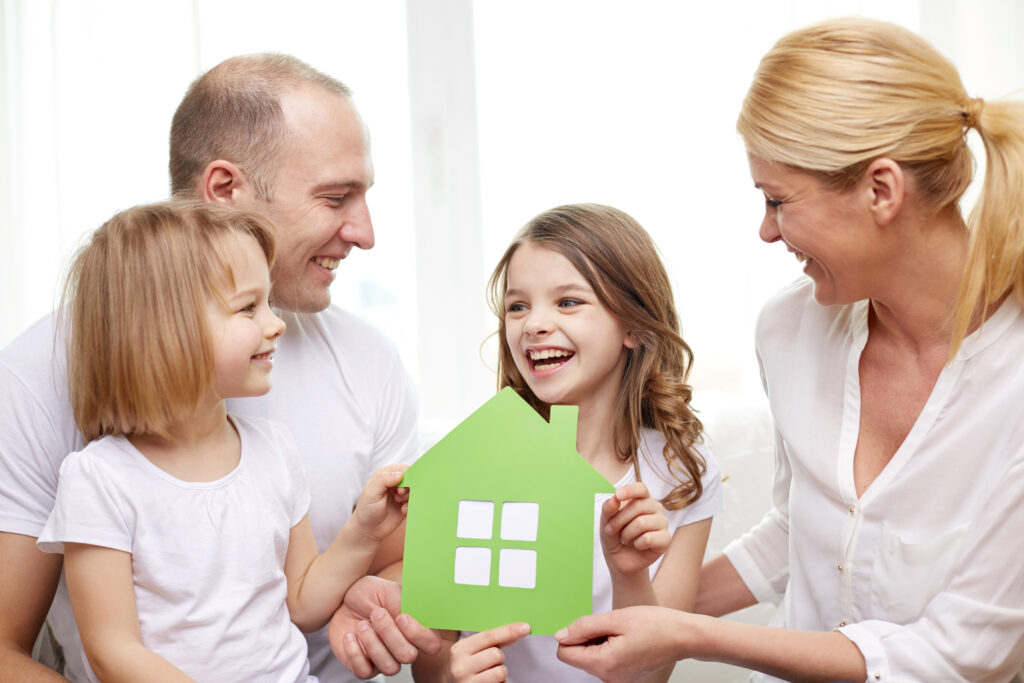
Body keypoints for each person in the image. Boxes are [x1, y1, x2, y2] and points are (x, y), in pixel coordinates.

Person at [554, 17, 1024, 682]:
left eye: (778, 200)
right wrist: (603, 612)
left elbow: (959, 653)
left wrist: (689, 634)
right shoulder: (790, 329)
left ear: (881, 190)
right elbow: (799, 529)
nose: (766, 231)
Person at [0, 54, 439, 681]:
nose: (365, 233)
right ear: (226, 190)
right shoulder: (40, 385)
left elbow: (352, 579)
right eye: (336, 197)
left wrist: (372, 592)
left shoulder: (359, 369)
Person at [36, 201, 410, 681]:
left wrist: (364, 532)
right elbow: (112, 651)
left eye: (268, 303)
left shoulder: (274, 451)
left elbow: (301, 602)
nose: (275, 323)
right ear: (167, 331)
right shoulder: (99, 479)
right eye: (248, 307)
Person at [411, 204, 723, 682]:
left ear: (634, 327)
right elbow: (430, 664)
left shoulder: (680, 471)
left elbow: (650, 677)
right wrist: (448, 675)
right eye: (518, 306)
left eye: (568, 302)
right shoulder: (475, 459)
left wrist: (630, 573)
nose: (533, 324)